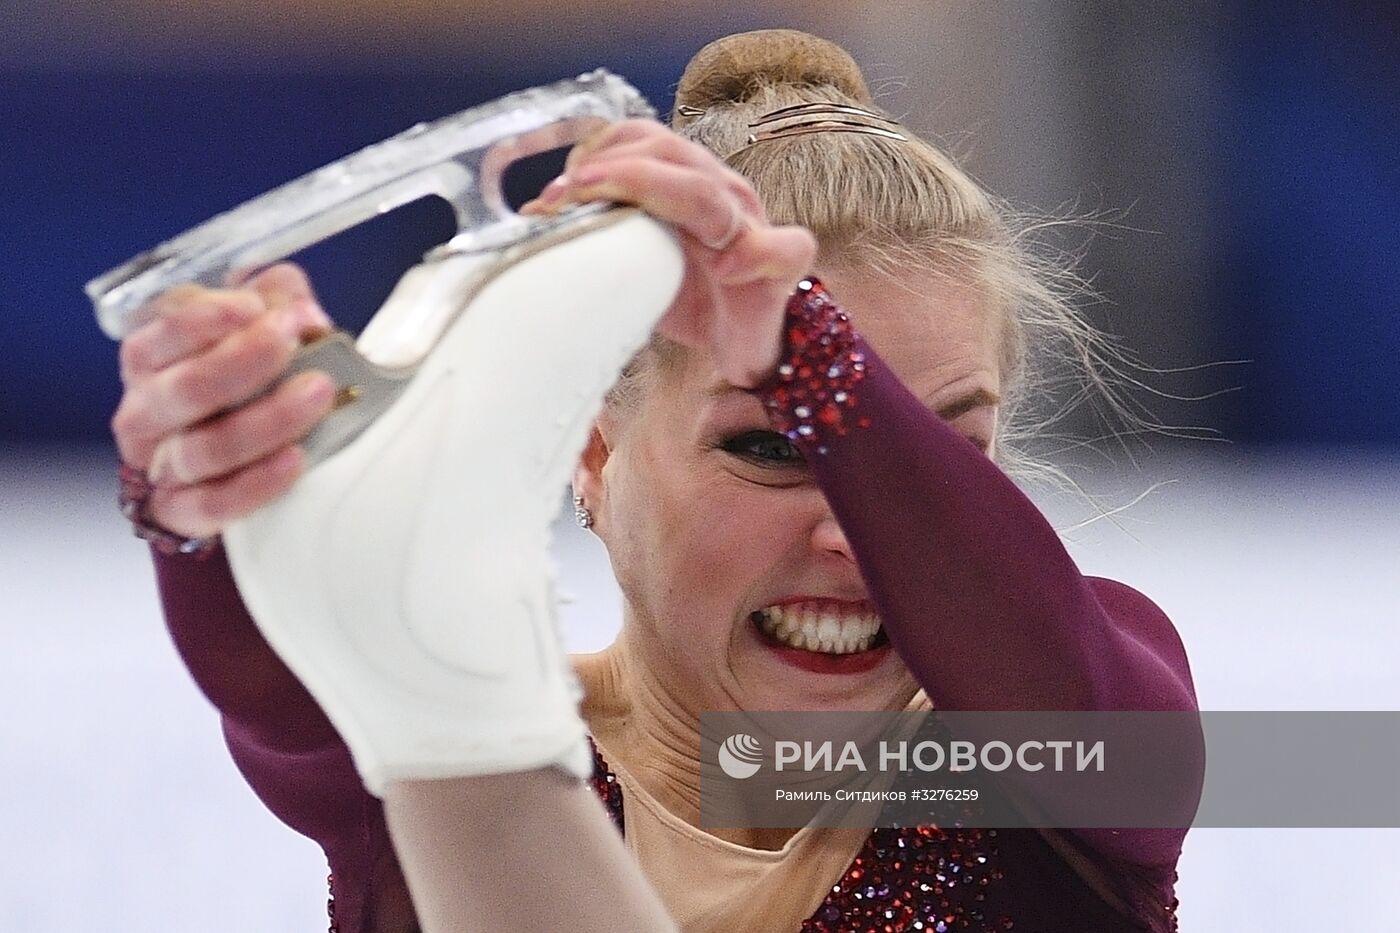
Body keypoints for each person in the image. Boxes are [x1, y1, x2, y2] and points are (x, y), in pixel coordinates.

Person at [110, 29, 1200, 933]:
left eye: (928, 462)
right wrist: (216, 494)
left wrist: (802, 347)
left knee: (433, 695)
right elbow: (291, 683)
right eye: (771, 447)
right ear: (590, 453)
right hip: (474, 746)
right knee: (409, 687)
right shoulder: (403, 771)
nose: (862, 542)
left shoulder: (1067, 745)